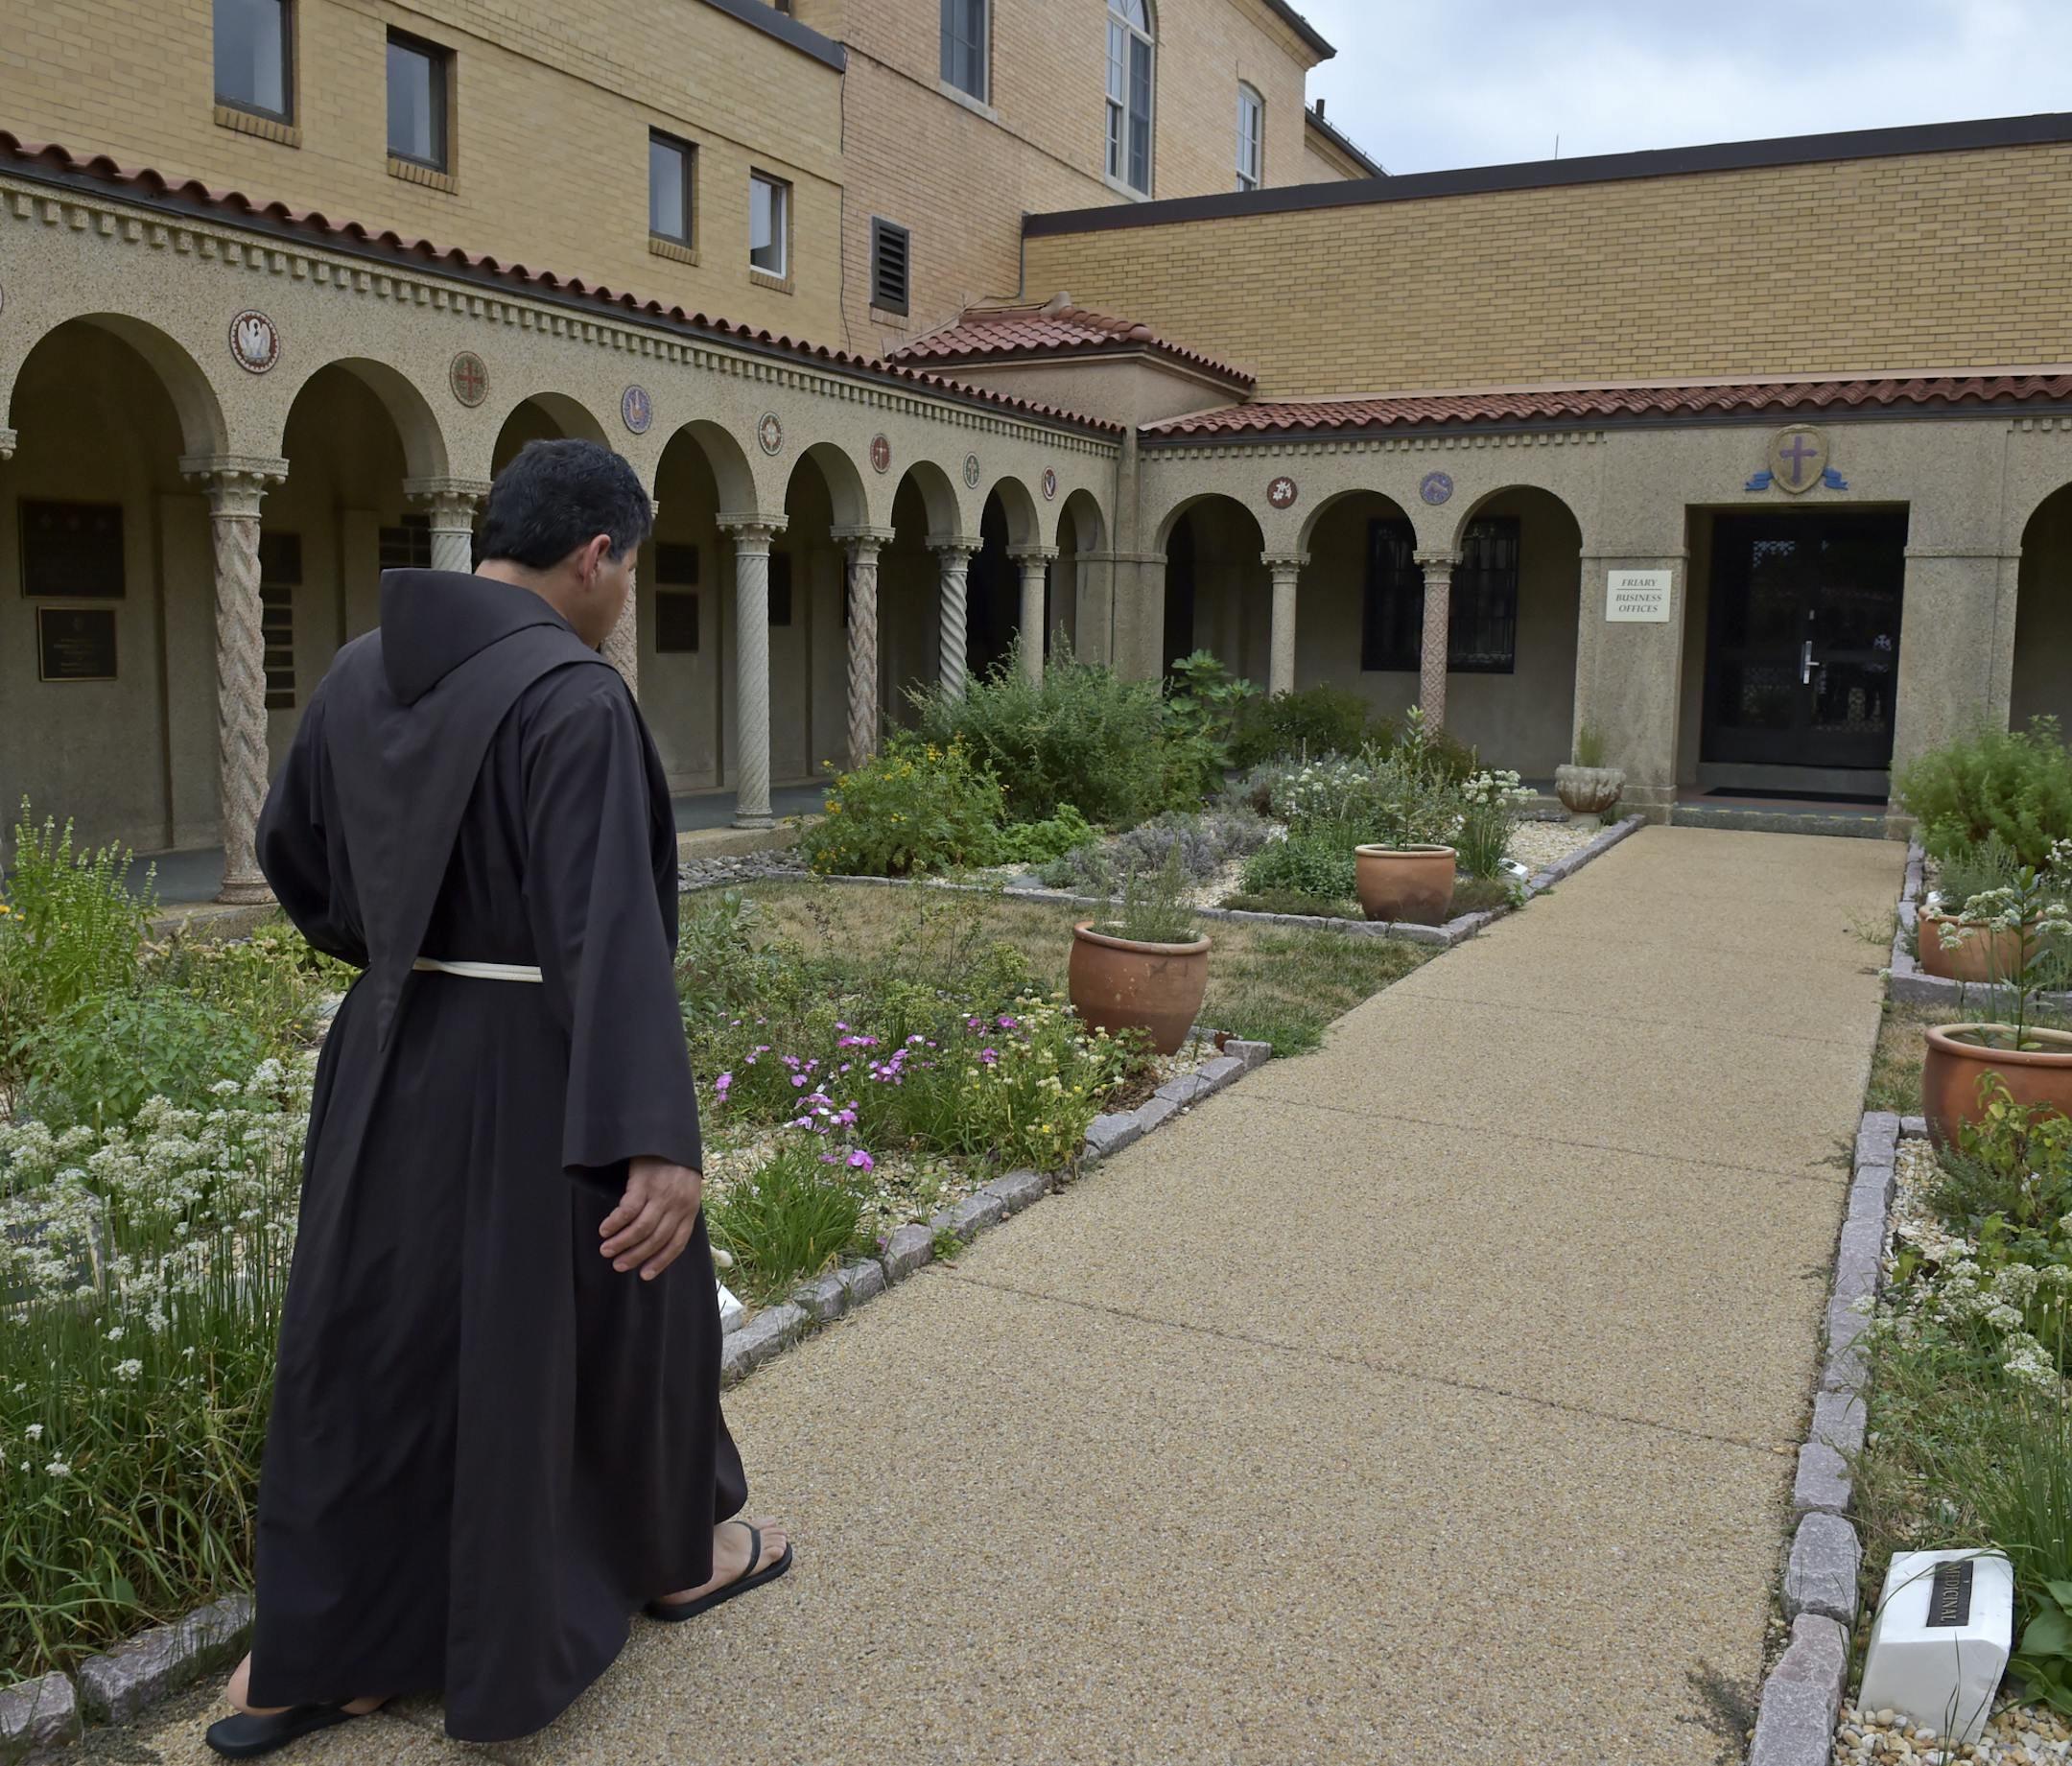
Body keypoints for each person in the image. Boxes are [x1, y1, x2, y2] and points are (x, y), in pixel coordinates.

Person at [208, 439, 789, 1759]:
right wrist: (655, 1134)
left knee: (377, 1338)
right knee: (626, 1311)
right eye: (631, 567)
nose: (626, 593)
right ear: (594, 556)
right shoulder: (573, 699)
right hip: (540, 1061)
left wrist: (402, 952)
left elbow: (291, 855)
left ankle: (326, 1652)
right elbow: (612, 925)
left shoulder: (356, 672)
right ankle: (672, 1559)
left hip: (388, 1046)